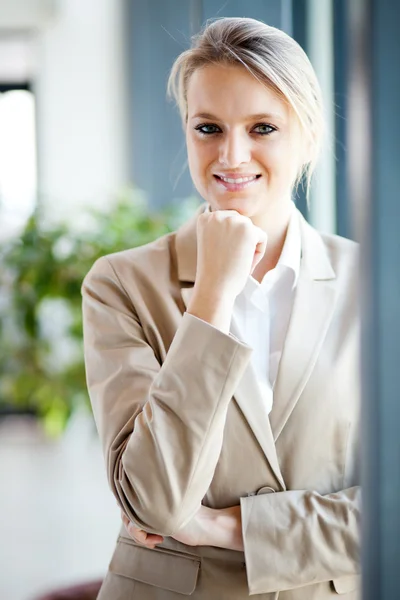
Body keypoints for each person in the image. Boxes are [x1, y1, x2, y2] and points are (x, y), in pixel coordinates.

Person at [81, 16, 360, 600]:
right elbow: (154, 500)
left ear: (307, 136)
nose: (231, 156)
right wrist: (210, 297)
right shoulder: (121, 284)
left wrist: (225, 529)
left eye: (263, 127)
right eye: (208, 127)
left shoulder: (379, 282)